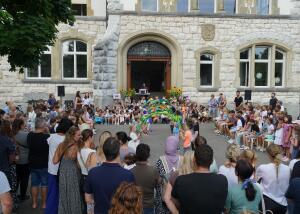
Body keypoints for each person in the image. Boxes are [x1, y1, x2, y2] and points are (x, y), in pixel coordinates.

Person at [171, 144, 228, 213]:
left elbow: (173, 199)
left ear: (194, 160)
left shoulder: (181, 181)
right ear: (212, 161)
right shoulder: (222, 180)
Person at [84, 137, 135, 214]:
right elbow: (132, 201)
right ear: (118, 152)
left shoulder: (92, 173)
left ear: (104, 151)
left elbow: (88, 199)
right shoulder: (128, 175)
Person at [53, 126, 84, 214]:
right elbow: (79, 164)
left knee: (64, 195)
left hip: (63, 173)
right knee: (74, 195)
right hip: (74, 173)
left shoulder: (61, 145)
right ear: (72, 136)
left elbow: (54, 161)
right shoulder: (78, 146)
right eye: (78, 135)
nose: (80, 136)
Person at [45, 118, 73, 214]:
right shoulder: (66, 140)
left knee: (52, 193)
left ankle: (50, 211)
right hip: (61, 170)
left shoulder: (52, 137)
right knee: (61, 193)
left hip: (51, 168)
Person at [256, 144, 290, 214]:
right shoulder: (287, 169)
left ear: (268, 155)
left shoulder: (263, 168)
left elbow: (255, 181)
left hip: (267, 203)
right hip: (283, 205)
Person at [155, 136, 183, 214]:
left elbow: (158, 180)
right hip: (179, 197)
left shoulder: (160, 160)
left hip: (165, 196)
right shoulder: (183, 160)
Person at [131, 144, 160, 214]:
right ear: (148, 155)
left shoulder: (130, 172)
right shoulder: (153, 170)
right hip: (149, 205)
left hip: (135, 205)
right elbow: (158, 184)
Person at [27, 118, 50, 209]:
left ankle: (34, 203)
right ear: (43, 126)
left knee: (34, 184)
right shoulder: (47, 137)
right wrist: (47, 131)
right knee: (44, 184)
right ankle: (44, 204)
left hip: (32, 162)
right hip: (43, 163)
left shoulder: (30, 135)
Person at [12, 119, 30, 202]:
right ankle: (23, 196)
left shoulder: (11, 134)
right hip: (25, 159)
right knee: (24, 178)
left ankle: (14, 194)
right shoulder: (26, 134)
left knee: (16, 178)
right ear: (21, 125)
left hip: (14, 159)